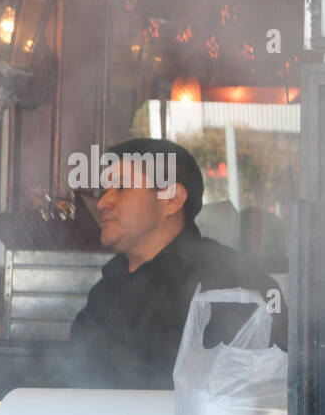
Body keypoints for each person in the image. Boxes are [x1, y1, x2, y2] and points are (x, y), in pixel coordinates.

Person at [68, 138, 286, 389]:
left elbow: (263, 400)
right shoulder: (107, 286)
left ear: (172, 200)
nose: (103, 202)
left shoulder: (233, 282)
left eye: (121, 187)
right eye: (104, 191)